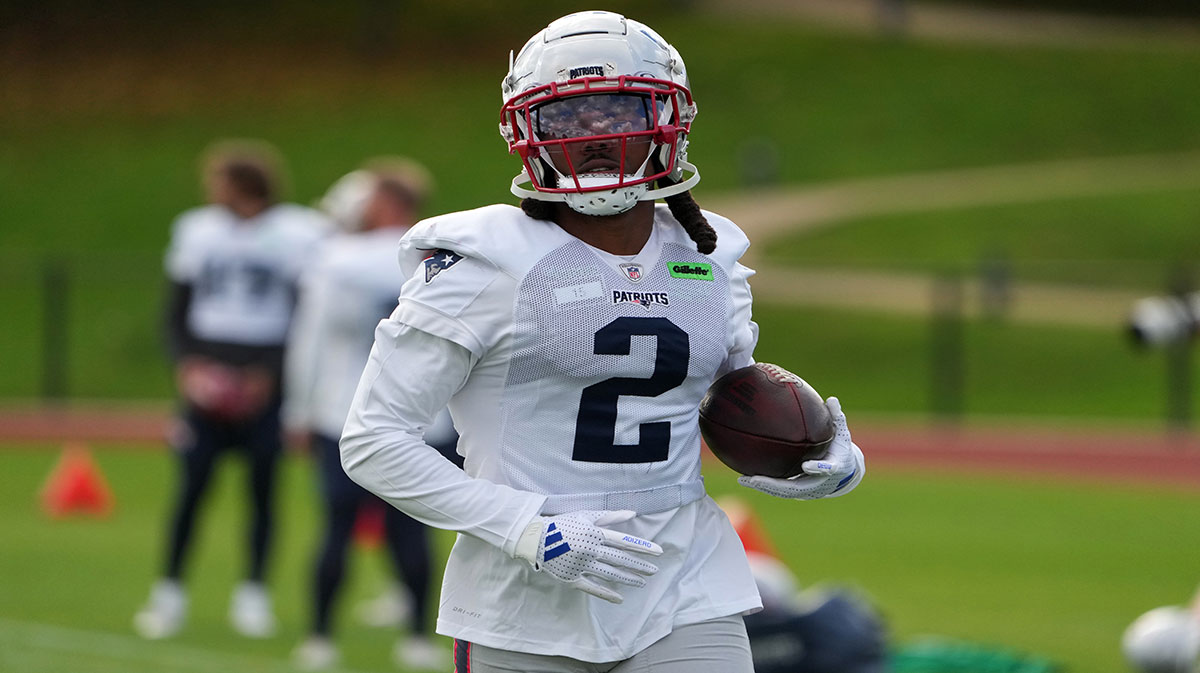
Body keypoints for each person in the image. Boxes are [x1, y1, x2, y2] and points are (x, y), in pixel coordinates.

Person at [340, 10, 866, 673]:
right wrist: (527, 529)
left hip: (683, 590)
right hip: (521, 603)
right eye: (567, 118)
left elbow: (736, 399)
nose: (595, 137)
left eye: (617, 110)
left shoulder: (711, 257)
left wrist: (812, 458)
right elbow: (372, 440)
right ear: (525, 130)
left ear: (670, 117)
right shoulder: (482, 262)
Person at [134, 139, 327, 640]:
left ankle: (253, 594)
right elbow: (176, 309)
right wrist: (189, 366)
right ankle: (169, 593)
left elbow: (305, 313)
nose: (210, 190)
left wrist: (271, 375)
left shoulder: (294, 232)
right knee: (191, 489)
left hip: (263, 376)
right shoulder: (198, 230)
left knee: (263, 492)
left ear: (243, 183)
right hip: (208, 369)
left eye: (218, 180)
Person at [284, 160, 458, 671]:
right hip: (425, 416)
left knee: (336, 529)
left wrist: (298, 409)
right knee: (412, 532)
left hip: (346, 414)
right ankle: (417, 639)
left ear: (383, 201)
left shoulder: (338, 258)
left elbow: (309, 340)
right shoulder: (445, 258)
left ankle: (319, 638)